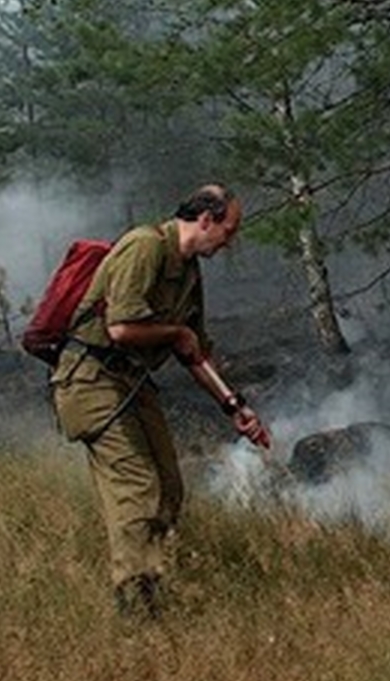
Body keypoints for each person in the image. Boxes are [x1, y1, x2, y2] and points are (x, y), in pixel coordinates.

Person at [52, 184, 271, 617]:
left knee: (169, 487)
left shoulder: (189, 272)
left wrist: (235, 408)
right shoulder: (145, 246)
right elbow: (121, 328)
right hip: (91, 380)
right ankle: (137, 604)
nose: (231, 240)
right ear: (205, 220)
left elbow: (194, 352)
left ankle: (151, 576)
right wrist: (174, 333)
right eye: (230, 229)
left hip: (130, 382)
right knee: (138, 487)